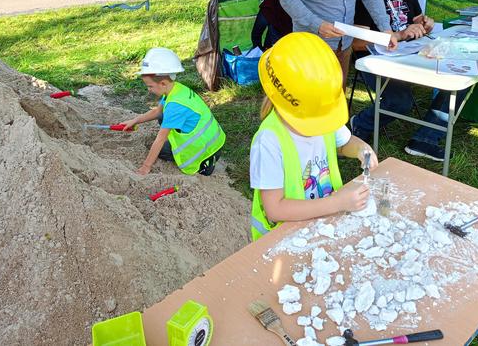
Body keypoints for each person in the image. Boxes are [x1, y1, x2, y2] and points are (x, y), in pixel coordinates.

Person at [249, 32, 378, 240]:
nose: (319, 126)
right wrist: (338, 203)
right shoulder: (268, 142)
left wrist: (362, 150)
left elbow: (344, 143)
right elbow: (275, 209)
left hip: (321, 225)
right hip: (281, 238)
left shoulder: (319, 110)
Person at [349, 0, 466, 162]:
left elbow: (416, 20)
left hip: (410, 53)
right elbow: (356, 43)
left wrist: (425, 24)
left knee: (458, 75)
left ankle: (426, 138)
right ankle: (359, 123)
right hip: (374, 59)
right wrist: (400, 34)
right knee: (401, 102)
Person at [120, 48, 225, 177]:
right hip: (210, 137)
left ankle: (205, 163)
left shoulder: (175, 106)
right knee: (162, 117)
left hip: (207, 149)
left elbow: (160, 139)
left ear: (163, 83)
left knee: (162, 150)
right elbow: (158, 112)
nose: (148, 90)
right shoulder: (175, 89)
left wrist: (146, 166)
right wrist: (135, 120)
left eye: (150, 86)